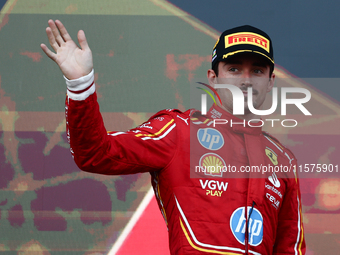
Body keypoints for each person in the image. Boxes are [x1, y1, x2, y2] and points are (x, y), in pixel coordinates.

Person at [41, 20, 306, 255]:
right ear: (213, 79)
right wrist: (80, 84)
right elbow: (95, 154)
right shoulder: (178, 130)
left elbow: (290, 249)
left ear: (271, 82)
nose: (246, 80)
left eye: (257, 71)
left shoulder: (283, 160)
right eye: (234, 69)